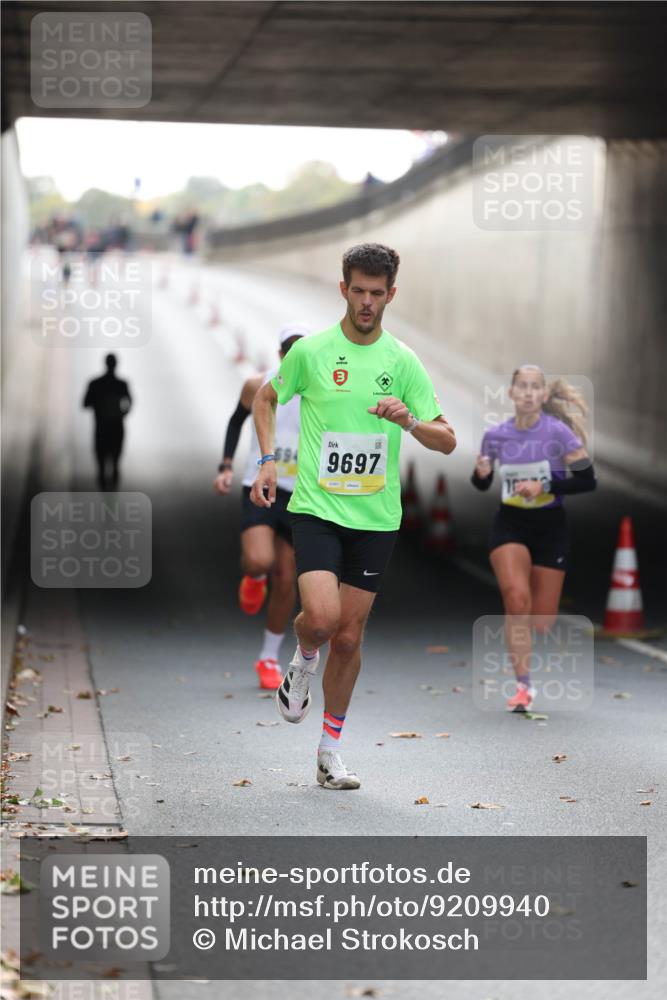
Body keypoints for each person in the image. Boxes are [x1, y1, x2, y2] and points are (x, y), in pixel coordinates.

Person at [251, 243, 456, 790]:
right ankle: (300, 661)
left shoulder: (402, 361)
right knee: (320, 620)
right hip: (318, 508)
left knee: (348, 636)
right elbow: (265, 400)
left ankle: (329, 751)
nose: (367, 303)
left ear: (391, 294)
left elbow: (448, 440)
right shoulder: (312, 352)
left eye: (377, 293)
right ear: (343, 289)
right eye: (358, 291)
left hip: (376, 517)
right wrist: (268, 461)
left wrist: (410, 421)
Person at [471, 365, 596, 712]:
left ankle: (527, 668)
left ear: (543, 395)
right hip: (510, 523)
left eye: (534, 387)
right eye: (521, 387)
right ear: (510, 394)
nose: (527, 393)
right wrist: (480, 474)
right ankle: (523, 687)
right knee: (515, 599)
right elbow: (482, 481)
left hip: (550, 527)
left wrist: (547, 486)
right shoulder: (495, 436)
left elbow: (588, 481)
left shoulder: (559, 434)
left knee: (541, 619)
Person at [213, 324, 309, 690]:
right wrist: (225, 466)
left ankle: (268, 657)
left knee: (287, 578)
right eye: (289, 351)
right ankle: (253, 578)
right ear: (281, 354)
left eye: (302, 351)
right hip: (260, 484)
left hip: (300, 494)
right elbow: (237, 420)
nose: (294, 358)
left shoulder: (323, 391)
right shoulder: (258, 384)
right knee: (259, 561)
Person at [83, 354, 132, 490]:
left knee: (101, 466)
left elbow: (85, 404)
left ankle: (105, 495)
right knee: (115, 463)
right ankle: (112, 495)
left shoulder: (95, 384)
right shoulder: (121, 384)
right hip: (117, 428)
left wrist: (98, 403)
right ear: (116, 365)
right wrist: (122, 413)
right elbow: (130, 403)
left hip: (101, 429)